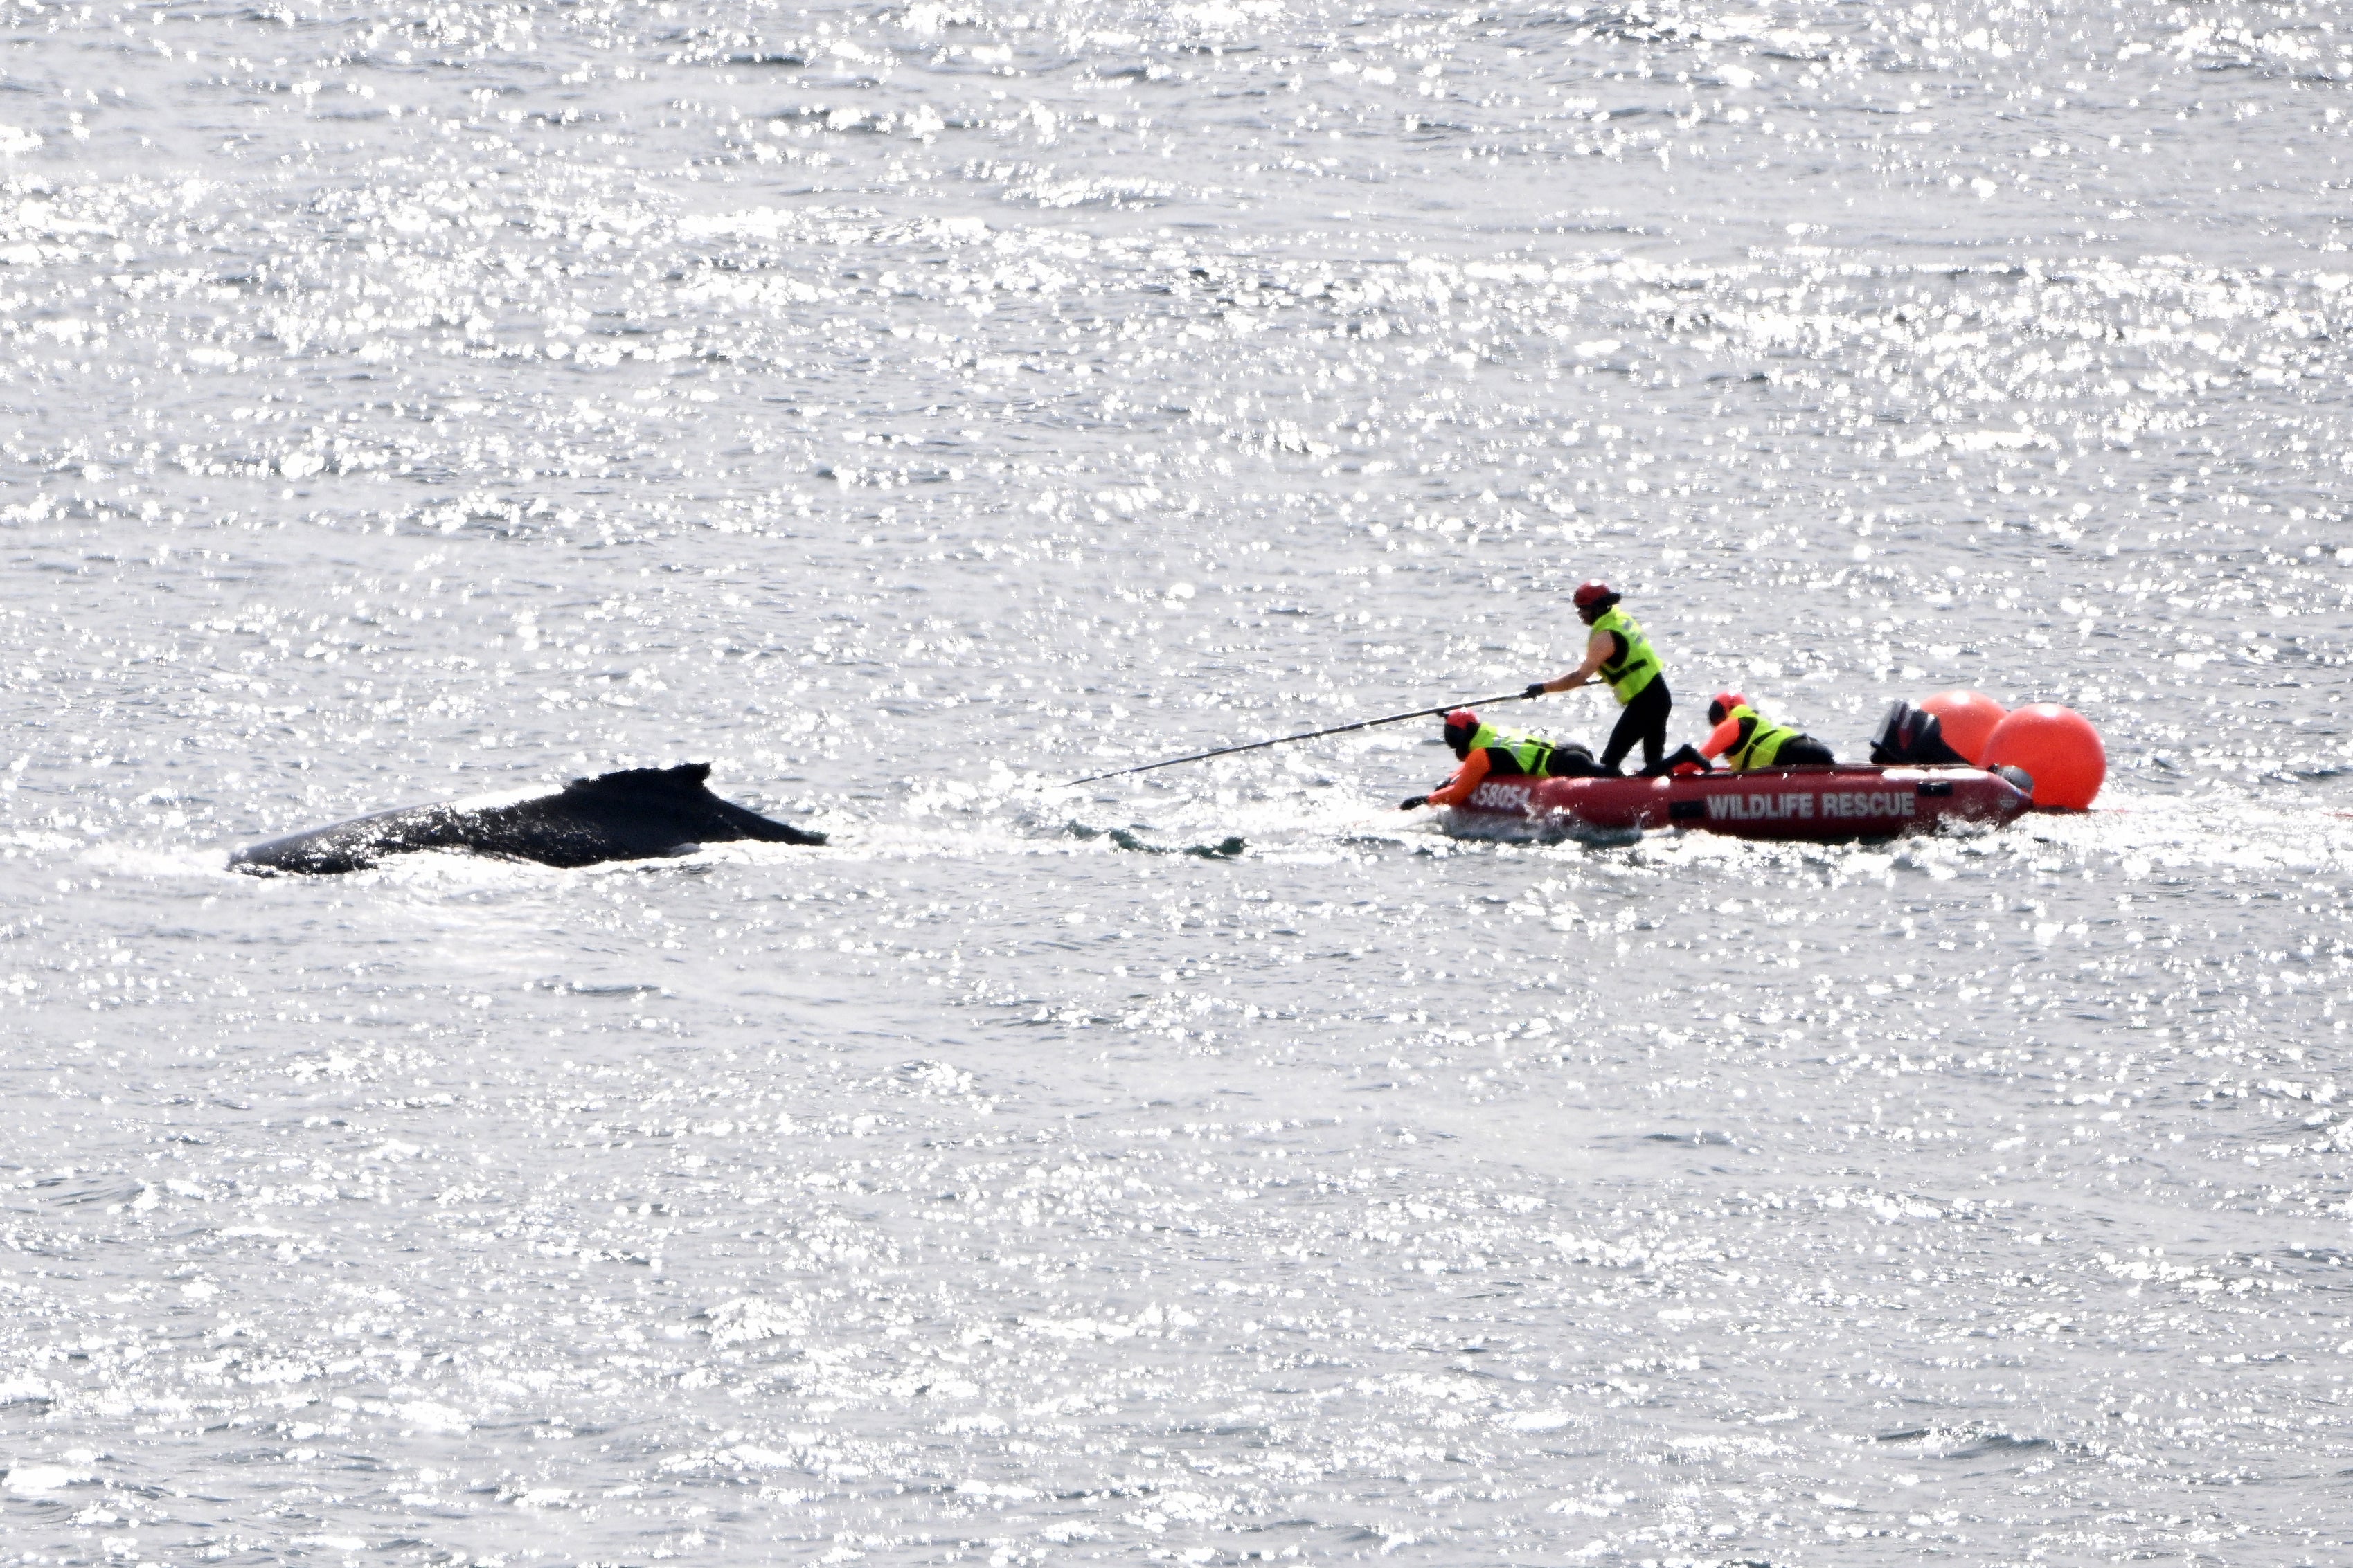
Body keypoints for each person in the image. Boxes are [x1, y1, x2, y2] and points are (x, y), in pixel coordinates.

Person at [1523, 581, 1671, 775]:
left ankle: (1609, 798)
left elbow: (1578, 677)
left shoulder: (1604, 636)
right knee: (1653, 760)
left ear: (1598, 608)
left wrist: (1542, 688)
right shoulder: (1618, 618)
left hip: (1645, 702)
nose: (1580, 614)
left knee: (1609, 762)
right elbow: (1628, 660)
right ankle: (1664, 792)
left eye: (1584, 609)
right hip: (1659, 695)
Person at [1400, 708, 1607, 810]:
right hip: (1568, 750)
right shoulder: (1491, 735)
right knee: (1606, 770)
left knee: (1609, 776)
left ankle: (1633, 781)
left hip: (1566, 765)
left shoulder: (1480, 755)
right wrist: (1449, 779)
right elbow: (1466, 771)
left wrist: (1423, 800)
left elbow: (1457, 795)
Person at [1678, 690, 1836, 771]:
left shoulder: (1732, 725)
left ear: (1727, 711)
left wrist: (1666, 768)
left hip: (1792, 753)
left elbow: (1692, 764)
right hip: (1810, 747)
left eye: (1717, 721)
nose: (1717, 728)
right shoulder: (1754, 722)